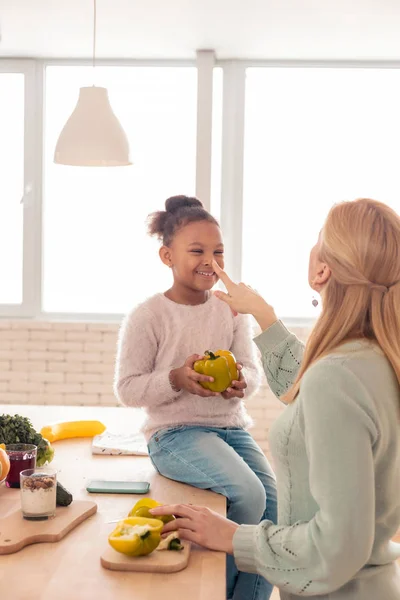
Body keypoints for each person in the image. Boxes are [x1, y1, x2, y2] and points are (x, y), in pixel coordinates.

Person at [151, 198, 400, 600]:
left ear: (323, 270)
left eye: (320, 237)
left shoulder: (338, 375)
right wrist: (265, 317)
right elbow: (310, 394)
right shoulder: (377, 356)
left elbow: (336, 547)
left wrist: (233, 537)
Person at [114, 195, 277, 600]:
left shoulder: (230, 310)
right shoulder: (148, 316)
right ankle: (210, 590)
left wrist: (241, 382)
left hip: (230, 429)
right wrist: (176, 379)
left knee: (277, 509)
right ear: (167, 256)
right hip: (174, 435)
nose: (211, 260)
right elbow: (128, 388)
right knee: (249, 495)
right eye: (197, 250)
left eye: (218, 251)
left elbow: (252, 372)